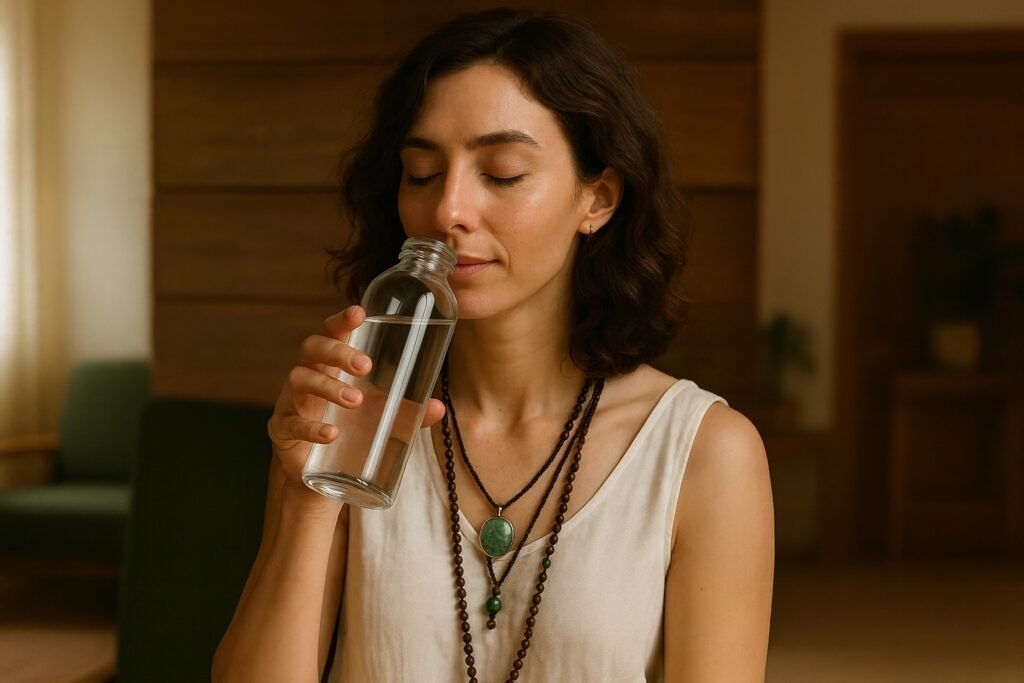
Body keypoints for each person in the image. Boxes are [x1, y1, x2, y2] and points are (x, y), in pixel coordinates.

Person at [213, 8, 773, 683]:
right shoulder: (356, 425)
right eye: (421, 174)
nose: (448, 208)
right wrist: (305, 498)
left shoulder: (704, 452)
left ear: (597, 199)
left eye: (502, 172)